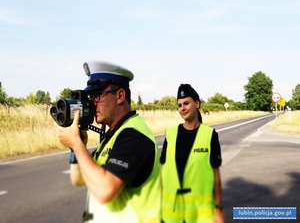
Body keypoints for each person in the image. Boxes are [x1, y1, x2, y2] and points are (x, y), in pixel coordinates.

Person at [55, 61, 161, 223]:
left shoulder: (134, 136)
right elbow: (77, 179)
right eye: (91, 97)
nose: (92, 102)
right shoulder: (113, 134)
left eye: (98, 95)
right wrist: (77, 146)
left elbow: (104, 190)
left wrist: (76, 143)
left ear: (120, 96)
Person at [160, 84, 225, 223]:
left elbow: (216, 174)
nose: (182, 108)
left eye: (186, 103)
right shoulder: (170, 134)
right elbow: (163, 172)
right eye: (179, 105)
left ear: (197, 103)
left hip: (200, 214)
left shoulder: (209, 135)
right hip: (172, 214)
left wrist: (218, 208)